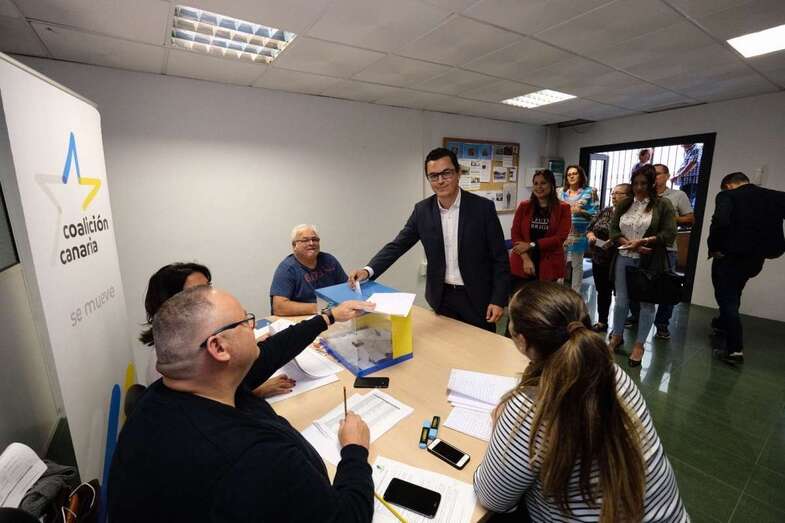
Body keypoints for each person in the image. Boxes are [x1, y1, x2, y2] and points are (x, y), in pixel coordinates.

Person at [109, 286, 375, 522]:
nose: (254, 328)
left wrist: (327, 318)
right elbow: (347, 516)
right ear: (219, 347)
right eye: (246, 322)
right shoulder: (252, 458)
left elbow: (272, 352)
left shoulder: (173, 391)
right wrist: (354, 450)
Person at [473, 281, 687, 522]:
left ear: (522, 342)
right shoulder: (613, 374)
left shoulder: (530, 409)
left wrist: (500, 430)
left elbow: (491, 497)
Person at [348, 147, 509, 332]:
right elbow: (397, 246)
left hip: (477, 296)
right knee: (445, 350)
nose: (440, 181)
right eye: (433, 176)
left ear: (458, 173)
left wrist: (498, 300)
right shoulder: (422, 211)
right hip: (442, 297)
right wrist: (368, 270)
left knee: (481, 350)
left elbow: (500, 259)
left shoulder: (482, 209)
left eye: (446, 173)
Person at [140, 262, 295, 398]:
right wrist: (257, 391)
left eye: (208, 287)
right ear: (173, 304)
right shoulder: (169, 359)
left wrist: (245, 344)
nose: (211, 295)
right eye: (198, 292)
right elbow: (204, 403)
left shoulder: (188, 341)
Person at [708, 171, 785, 363]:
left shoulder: (727, 195)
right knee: (734, 292)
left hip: (730, 256)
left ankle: (734, 349)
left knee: (726, 297)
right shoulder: (775, 196)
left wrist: (714, 247)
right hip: (756, 259)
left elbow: (720, 221)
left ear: (729, 185)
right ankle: (723, 323)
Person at [608, 165, 676, 367]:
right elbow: (613, 229)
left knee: (647, 304)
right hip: (624, 256)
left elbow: (669, 234)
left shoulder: (663, 205)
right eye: (635, 183)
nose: (639, 187)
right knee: (621, 301)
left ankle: (639, 345)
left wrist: (644, 242)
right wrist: (626, 242)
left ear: (652, 183)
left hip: (649, 260)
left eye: (643, 183)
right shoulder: (625, 203)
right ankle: (617, 336)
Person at [509, 169, 571, 290]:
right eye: (536, 183)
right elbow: (515, 234)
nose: (539, 187)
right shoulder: (524, 206)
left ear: (552, 185)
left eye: (543, 183)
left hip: (548, 264)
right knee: (521, 304)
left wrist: (532, 245)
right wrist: (526, 258)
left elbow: (559, 238)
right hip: (522, 262)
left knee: (543, 305)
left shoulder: (563, 208)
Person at [271, 224, 348, 316]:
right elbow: (279, 307)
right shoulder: (287, 269)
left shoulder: (329, 260)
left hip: (332, 315)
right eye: (305, 240)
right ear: (294, 245)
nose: (311, 243)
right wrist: (320, 308)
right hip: (303, 320)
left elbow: (346, 288)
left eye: (315, 239)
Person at [586, 183, 632, 332]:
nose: (614, 196)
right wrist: (591, 236)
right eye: (613, 193)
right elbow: (590, 228)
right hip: (600, 258)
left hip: (619, 258)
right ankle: (602, 321)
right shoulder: (606, 211)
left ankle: (619, 327)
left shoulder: (630, 215)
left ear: (629, 196)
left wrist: (613, 241)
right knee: (602, 291)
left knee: (621, 294)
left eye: (619, 193)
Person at [557, 165, 598, 294]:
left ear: (581, 175)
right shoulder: (559, 192)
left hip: (578, 233)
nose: (572, 176)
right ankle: (558, 292)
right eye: (569, 174)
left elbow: (596, 214)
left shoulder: (590, 192)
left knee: (577, 264)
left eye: (575, 173)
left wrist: (581, 211)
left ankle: (576, 293)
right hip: (561, 232)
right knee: (559, 263)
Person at [672, 143, 702, 208]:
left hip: (692, 183)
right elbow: (685, 165)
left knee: (686, 205)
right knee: (682, 204)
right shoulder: (688, 150)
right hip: (686, 183)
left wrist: (678, 176)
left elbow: (693, 163)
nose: (682, 146)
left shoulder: (696, 148)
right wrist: (677, 176)